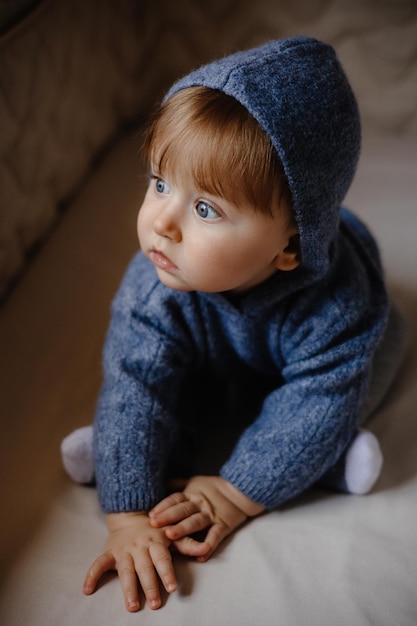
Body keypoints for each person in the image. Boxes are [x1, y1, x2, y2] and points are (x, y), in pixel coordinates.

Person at [61, 37, 406, 612]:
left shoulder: (340, 302)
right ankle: (131, 454)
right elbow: (135, 381)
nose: (161, 224)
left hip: (318, 362)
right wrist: (127, 513)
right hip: (211, 347)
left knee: (364, 370)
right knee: (163, 387)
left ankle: (332, 456)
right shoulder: (156, 284)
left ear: (288, 245)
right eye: (159, 183)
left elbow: (319, 395)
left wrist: (234, 491)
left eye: (205, 210)